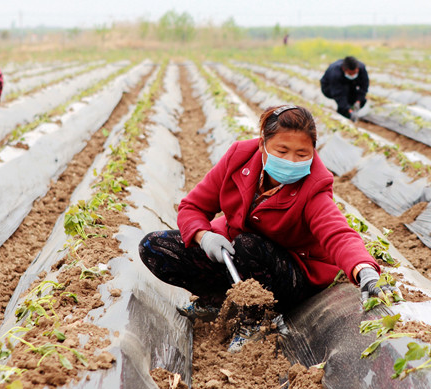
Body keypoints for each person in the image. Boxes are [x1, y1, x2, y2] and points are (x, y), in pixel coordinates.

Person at [139, 105, 398, 326]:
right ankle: (218, 301)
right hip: (237, 258)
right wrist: (204, 236)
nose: (292, 161)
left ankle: (255, 321)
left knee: (248, 245)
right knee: (156, 247)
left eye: (302, 154)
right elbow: (192, 206)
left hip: (289, 275)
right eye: (282, 151)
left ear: (313, 152)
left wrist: (364, 270)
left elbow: (337, 232)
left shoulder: (314, 186)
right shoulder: (239, 158)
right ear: (263, 144)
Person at [320, 56, 369, 120]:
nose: (353, 75)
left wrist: (358, 101)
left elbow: (364, 86)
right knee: (344, 95)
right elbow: (338, 94)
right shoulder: (335, 73)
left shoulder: (361, 68)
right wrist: (348, 110)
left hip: (348, 84)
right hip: (328, 87)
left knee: (361, 99)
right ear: (344, 69)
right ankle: (344, 114)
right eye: (351, 74)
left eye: (355, 73)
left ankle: (349, 108)